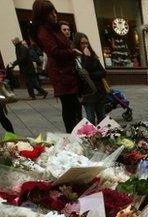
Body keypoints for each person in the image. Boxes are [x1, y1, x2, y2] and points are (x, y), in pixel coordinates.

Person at [30, 0, 81, 133]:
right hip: (62, 75)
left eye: (53, 11)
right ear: (42, 15)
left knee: (75, 106)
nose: (54, 15)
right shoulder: (43, 31)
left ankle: (79, 133)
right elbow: (54, 52)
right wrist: (72, 52)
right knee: (70, 108)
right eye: (49, 13)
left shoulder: (54, 27)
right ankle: (73, 135)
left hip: (67, 72)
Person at [73, 33, 107, 124]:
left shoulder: (93, 55)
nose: (85, 45)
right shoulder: (76, 58)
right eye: (82, 43)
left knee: (102, 117)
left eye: (86, 43)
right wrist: (86, 58)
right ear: (77, 43)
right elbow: (83, 73)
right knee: (90, 118)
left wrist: (91, 75)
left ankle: (103, 136)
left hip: (99, 91)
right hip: (87, 93)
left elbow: (103, 72)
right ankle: (93, 137)